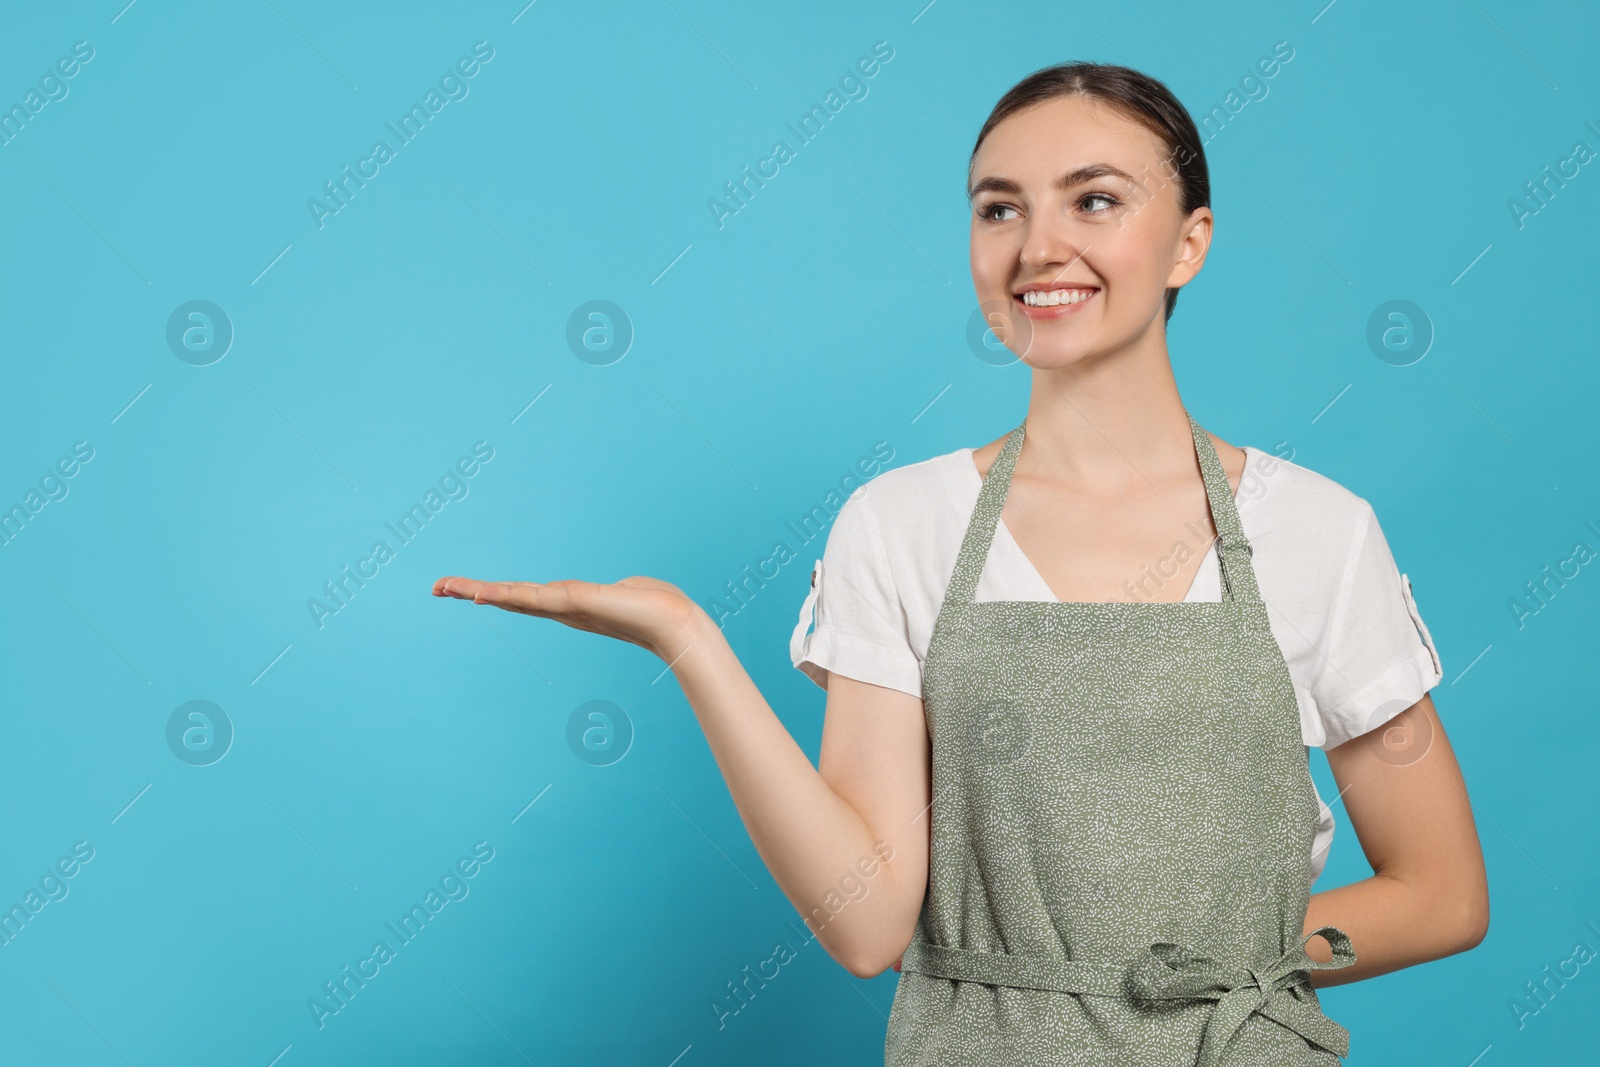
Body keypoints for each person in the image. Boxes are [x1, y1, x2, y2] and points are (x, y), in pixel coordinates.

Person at [434, 61, 1488, 1066]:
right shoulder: (901, 525)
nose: (1038, 246)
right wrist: (691, 643)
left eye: (1095, 201)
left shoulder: (1316, 529)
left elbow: (1440, 892)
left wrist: (1237, 960)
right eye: (999, 208)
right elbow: (866, 924)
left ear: (1188, 243)